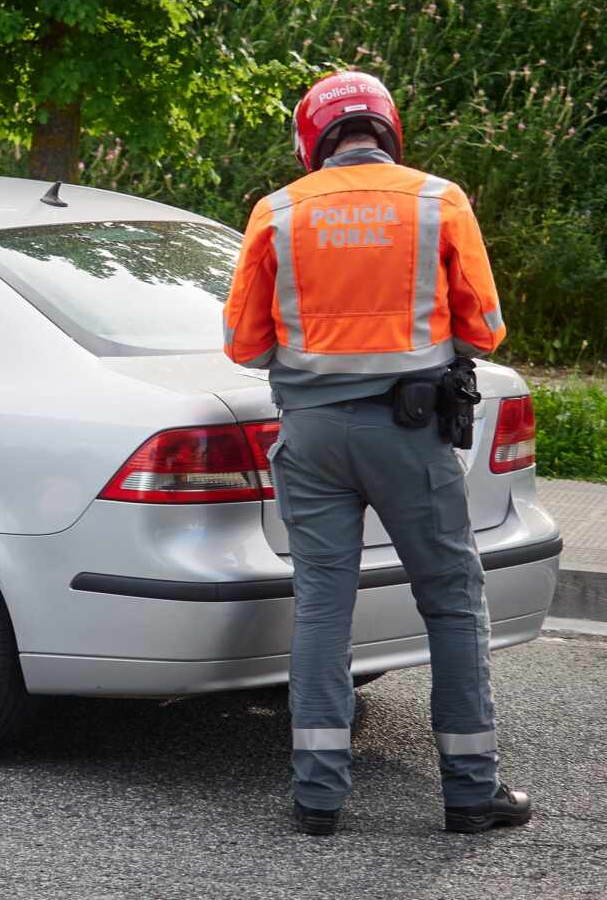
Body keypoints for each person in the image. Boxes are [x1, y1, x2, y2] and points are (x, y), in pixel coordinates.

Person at [222, 70, 531, 836]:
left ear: (311, 138)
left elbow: (241, 343)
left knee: (323, 606)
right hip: (410, 433)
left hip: (314, 438)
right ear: (389, 129)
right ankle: (470, 792)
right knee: (453, 602)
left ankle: (318, 797)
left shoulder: (278, 211)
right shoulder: (438, 200)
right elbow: (486, 327)